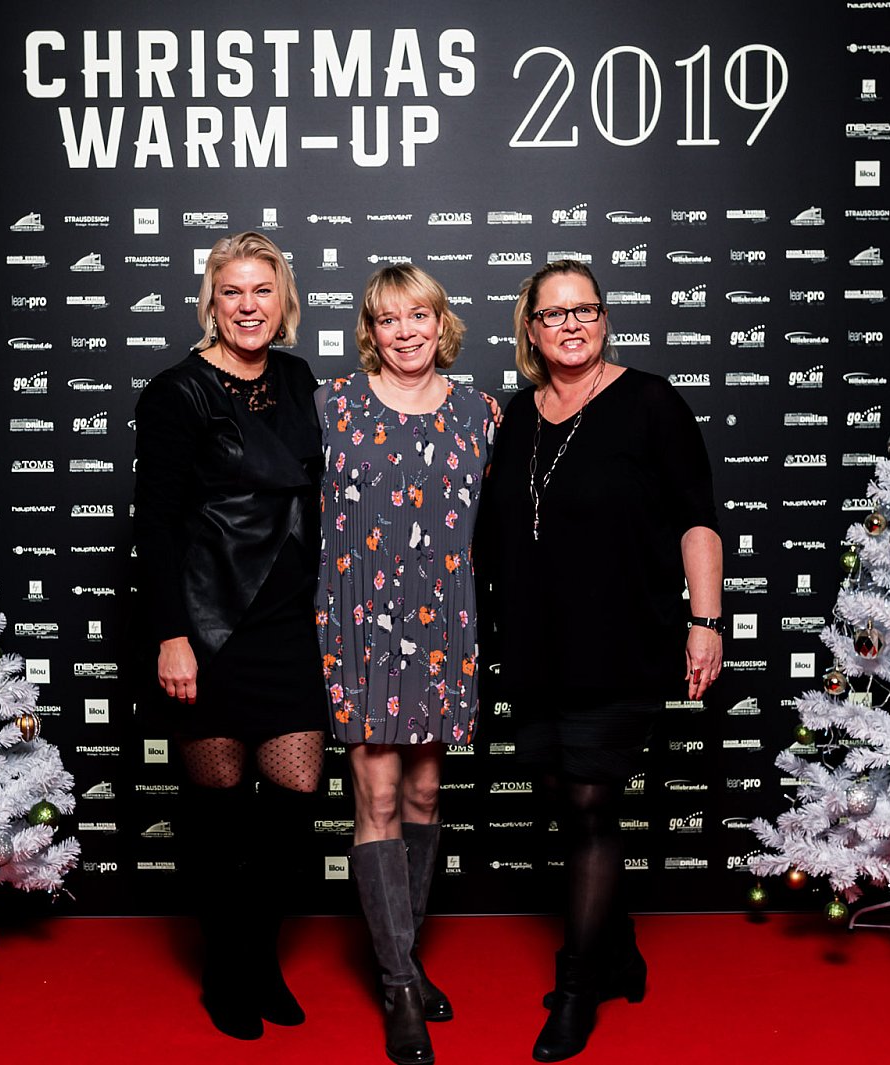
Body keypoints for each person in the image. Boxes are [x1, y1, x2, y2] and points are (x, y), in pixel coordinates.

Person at [479, 260, 723, 1062]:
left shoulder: (651, 402)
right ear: (531, 329)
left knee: (590, 801)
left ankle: (578, 985)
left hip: (621, 640)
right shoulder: (518, 413)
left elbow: (697, 518)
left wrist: (706, 620)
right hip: (535, 644)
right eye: (553, 314)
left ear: (605, 318)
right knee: (562, 795)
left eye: (584, 309)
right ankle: (618, 950)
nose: (571, 325)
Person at [132, 231, 328, 1042]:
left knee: (293, 802)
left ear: (284, 301)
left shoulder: (296, 378)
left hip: (287, 623)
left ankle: (260, 954)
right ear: (211, 302)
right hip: (209, 626)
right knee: (217, 816)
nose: (249, 306)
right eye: (233, 292)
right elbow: (155, 525)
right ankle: (224, 967)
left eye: (262, 290)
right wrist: (171, 636)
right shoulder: (177, 392)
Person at [317, 264, 494, 1065]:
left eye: (418, 315)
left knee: (424, 791)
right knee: (378, 795)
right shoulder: (332, 406)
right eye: (388, 319)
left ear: (440, 321)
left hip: (443, 624)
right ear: (371, 331)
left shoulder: (479, 412)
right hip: (358, 622)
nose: (405, 331)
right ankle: (397, 985)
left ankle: (407, 957)